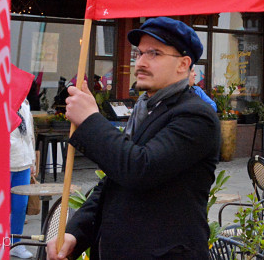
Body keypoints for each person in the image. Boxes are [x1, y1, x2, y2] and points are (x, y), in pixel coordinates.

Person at [47, 17, 220, 260]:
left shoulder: (196, 116)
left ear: (183, 64)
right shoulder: (146, 109)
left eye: (154, 54)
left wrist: (90, 120)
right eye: (139, 54)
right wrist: (75, 233)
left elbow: (140, 168)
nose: (140, 62)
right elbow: (112, 184)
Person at [10, 98, 35, 258]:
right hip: (3, 162)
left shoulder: (25, 105)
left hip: (23, 162)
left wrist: (32, 160)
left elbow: (30, 135)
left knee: (20, 206)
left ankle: (16, 243)